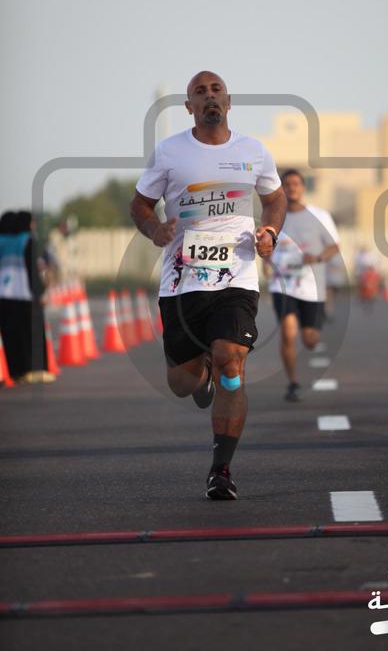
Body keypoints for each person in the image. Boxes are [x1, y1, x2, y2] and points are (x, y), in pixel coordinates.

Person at [130, 71, 286, 500]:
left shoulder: (254, 151)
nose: (210, 96)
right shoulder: (169, 152)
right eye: (200, 92)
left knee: (230, 360)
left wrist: (270, 232)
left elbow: (275, 198)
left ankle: (221, 469)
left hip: (237, 277)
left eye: (216, 90)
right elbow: (140, 204)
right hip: (181, 284)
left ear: (229, 102)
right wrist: (155, 229)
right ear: (189, 107)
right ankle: (202, 379)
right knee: (182, 383)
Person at [265, 170, 340, 402]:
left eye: (296, 183)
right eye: (287, 184)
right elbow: (265, 244)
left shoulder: (319, 215)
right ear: (282, 189)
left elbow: (334, 246)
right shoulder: (273, 217)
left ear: (303, 187)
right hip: (283, 284)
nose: (292, 188)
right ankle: (293, 382)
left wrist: (317, 258)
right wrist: (266, 262)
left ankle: (311, 333)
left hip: (312, 286)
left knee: (310, 340)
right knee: (288, 333)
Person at [0, 210, 52, 383]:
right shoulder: (27, 241)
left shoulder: (2, 242)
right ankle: (37, 370)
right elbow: (34, 271)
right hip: (25, 294)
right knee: (33, 332)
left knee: (12, 335)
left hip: (4, 296)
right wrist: (40, 292)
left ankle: (17, 371)